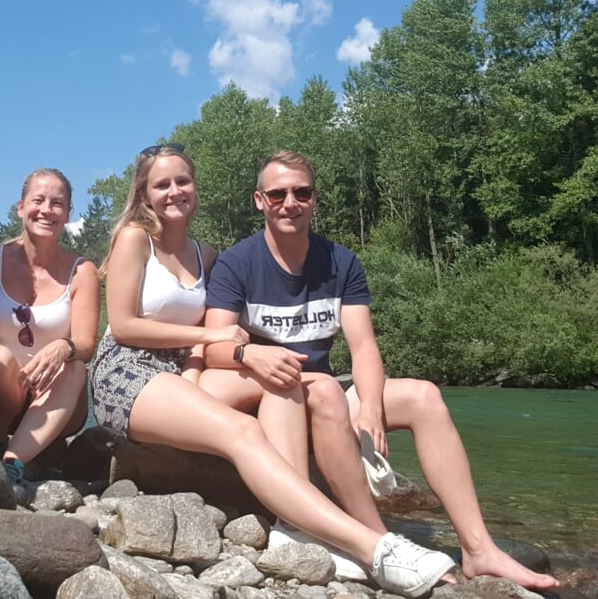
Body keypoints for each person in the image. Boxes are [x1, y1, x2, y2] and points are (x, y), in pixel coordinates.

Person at [90, 143, 457, 598]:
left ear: (195, 188)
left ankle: (294, 527)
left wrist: (208, 359)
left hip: (187, 367)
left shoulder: (208, 255)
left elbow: (224, 336)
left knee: (286, 381)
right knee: (242, 434)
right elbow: (124, 326)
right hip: (129, 370)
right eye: (161, 184)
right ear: (144, 194)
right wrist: (209, 341)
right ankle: (376, 547)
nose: (174, 191)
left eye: (182, 181)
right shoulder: (133, 239)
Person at [200, 150, 560, 590]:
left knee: (424, 396)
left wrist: (370, 406)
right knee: (323, 390)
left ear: (315, 199)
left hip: (326, 386)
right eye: (277, 194)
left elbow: (364, 345)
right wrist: (252, 355)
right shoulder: (238, 263)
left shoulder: (340, 262)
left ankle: (478, 549)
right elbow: (215, 348)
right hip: (274, 395)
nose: (289, 203)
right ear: (260, 201)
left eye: (301, 192)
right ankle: (379, 542)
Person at [0, 168, 100, 488]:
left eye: (57, 204)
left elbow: (85, 343)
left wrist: (64, 346)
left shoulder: (83, 272)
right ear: (20, 207)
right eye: (38, 200)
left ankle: (11, 462)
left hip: (54, 398)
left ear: (67, 215)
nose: (46, 210)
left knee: (76, 368)